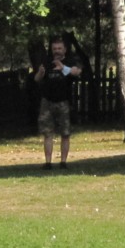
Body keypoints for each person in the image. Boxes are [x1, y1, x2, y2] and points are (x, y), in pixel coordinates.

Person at [34, 35, 82, 169]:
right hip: (47, 101)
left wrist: (63, 68)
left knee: (65, 133)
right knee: (47, 133)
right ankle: (48, 162)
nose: (57, 51)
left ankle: (63, 162)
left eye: (59, 48)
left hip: (64, 101)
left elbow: (77, 72)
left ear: (65, 50)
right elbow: (37, 79)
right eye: (54, 48)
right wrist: (40, 73)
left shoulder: (71, 60)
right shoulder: (47, 60)